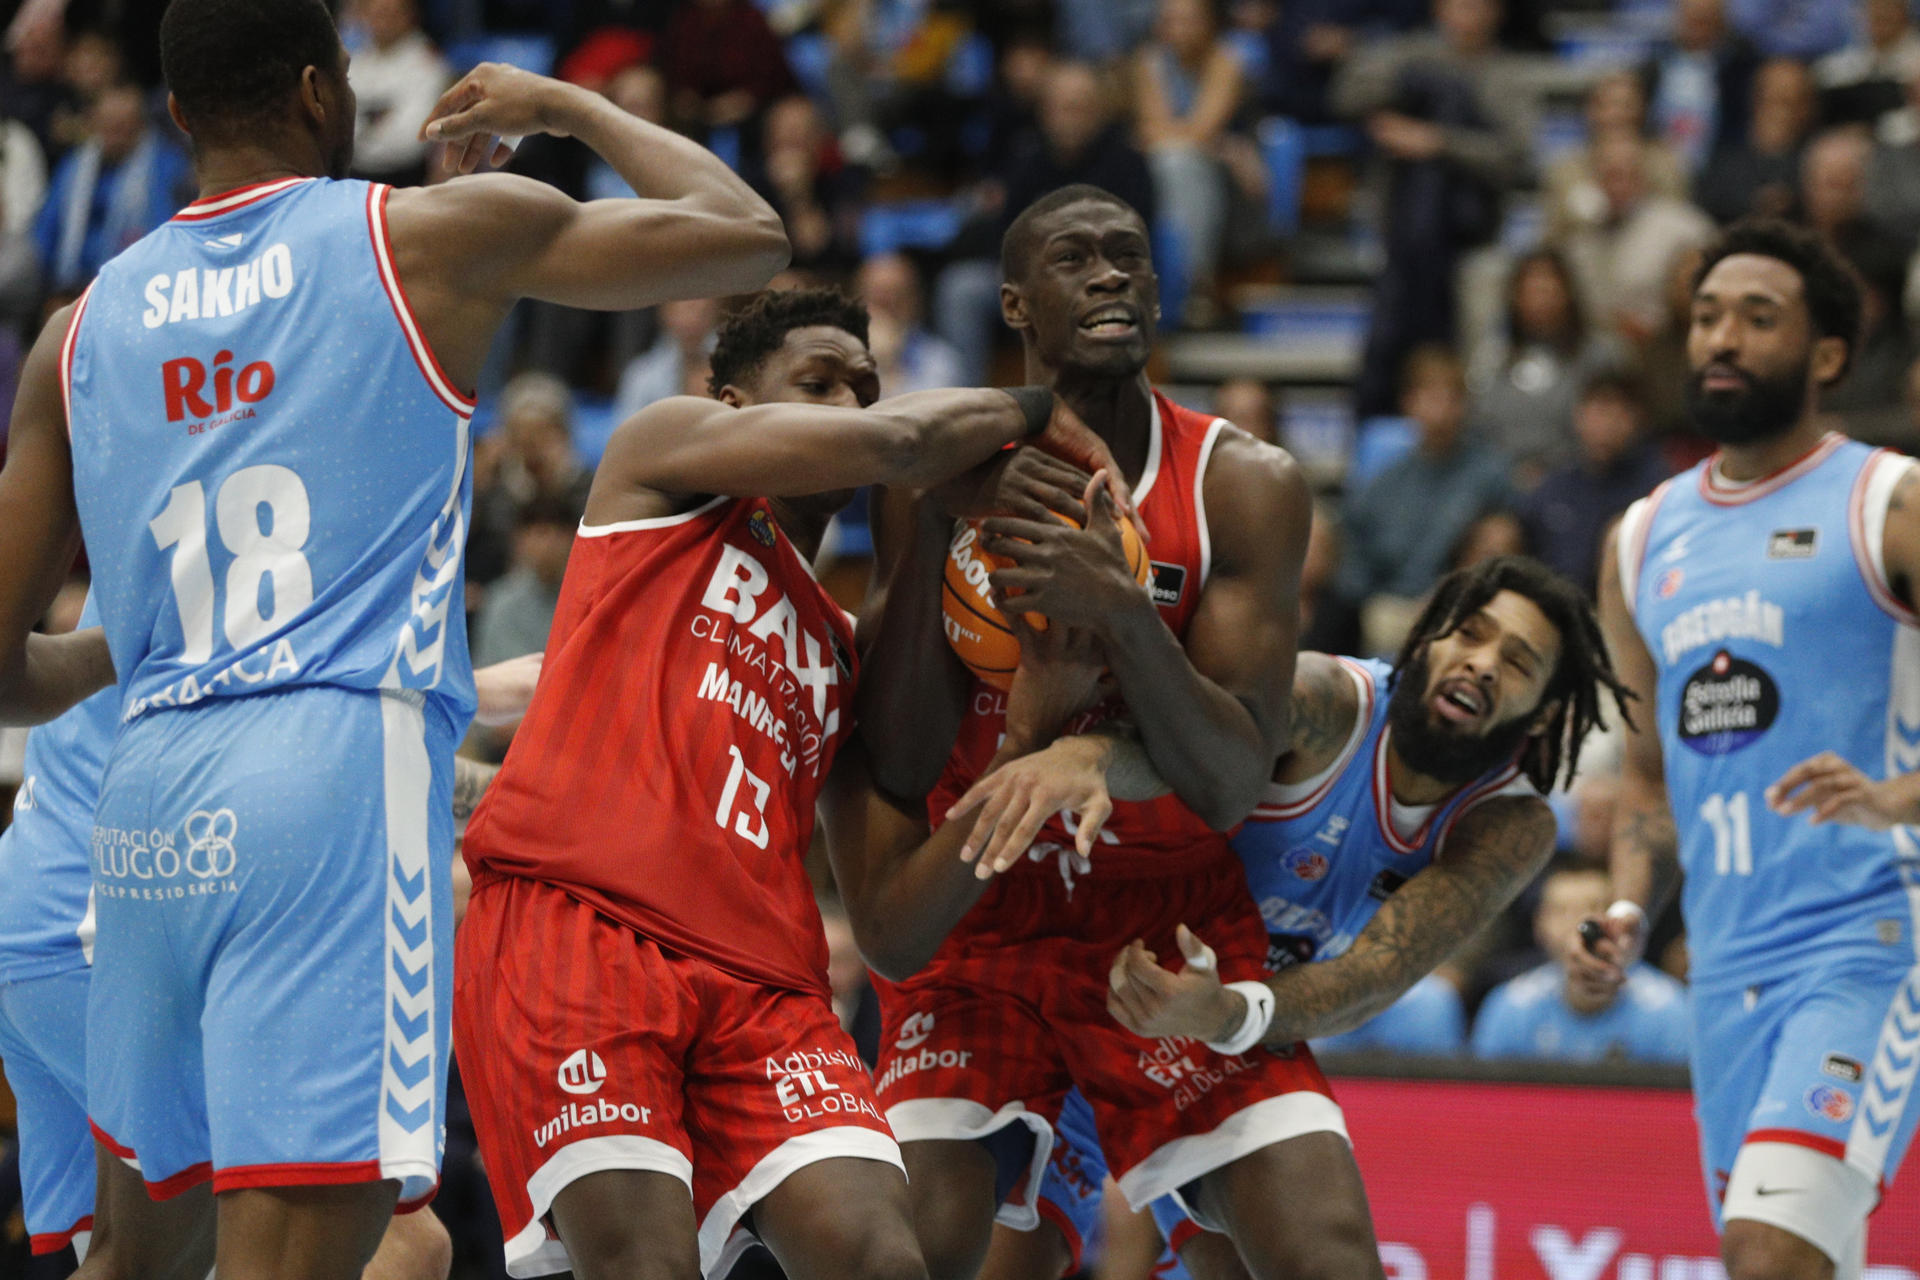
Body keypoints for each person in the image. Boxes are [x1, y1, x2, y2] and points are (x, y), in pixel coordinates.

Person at [0, 0, 792, 1274]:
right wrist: (569, 109)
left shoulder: (76, 329)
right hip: (331, 779)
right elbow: (746, 237)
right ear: (324, 93)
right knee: (328, 1250)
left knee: (136, 1257)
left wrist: (139, 643)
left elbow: (5, 667)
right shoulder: (422, 237)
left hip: (142, 807)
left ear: (181, 115)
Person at [454, 285, 1125, 1280]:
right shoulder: (660, 462)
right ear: (733, 403)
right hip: (582, 925)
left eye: (866, 386)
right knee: (642, 1263)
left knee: (884, 1255)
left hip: (761, 982)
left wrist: (1021, 722)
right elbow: (898, 444)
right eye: (818, 382)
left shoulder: (841, 647)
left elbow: (896, 906)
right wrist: (1040, 408)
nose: (851, 406)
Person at [836, 182, 1387, 1280]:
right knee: (911, 1251)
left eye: (1130, 256)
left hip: (1166, 911)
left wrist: (1127, 615)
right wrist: (949, 511)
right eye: (1076, 258)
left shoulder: (1243, 483)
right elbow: (895, 755)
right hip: (981, 921)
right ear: (1014, 305)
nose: (1109, 275)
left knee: (1329, 1254)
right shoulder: (940, 465)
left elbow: (1232, 775)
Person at [976, 554, 1628, 1279]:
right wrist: (1090, 758)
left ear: (1540, 709)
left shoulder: (1507, 823)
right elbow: (1177, 753)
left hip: (1214, 1029)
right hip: (1084, 975)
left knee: (1317, 1261)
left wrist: (1225, 1014)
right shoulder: (1324, 700)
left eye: (1517, 662)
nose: (1480, 663)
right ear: (1428, 638)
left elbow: (1374, 976)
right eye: (1469, 634)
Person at [1576, 218, 1920, 1280]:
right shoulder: (1640, 538)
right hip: (1724, 971)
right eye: (1709, 316)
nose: (1722, 337)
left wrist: (1897, 794)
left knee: (1768, 1252)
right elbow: (1644, 773)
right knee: (1785, 1261)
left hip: (1870, 942)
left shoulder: (1888, 500)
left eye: (1757, 318)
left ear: (1825, 355)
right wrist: (1629, 901)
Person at [0, 629, 538, 1272]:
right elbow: (294, 717)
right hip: (108, 912)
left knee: (131, 1256)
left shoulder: (159, 561)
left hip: (39, 909)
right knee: (403, 1246)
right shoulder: (287, 596)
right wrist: (464, 691)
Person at [1471, 864, 1689, 1064]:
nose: (1577, 922)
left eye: (1592, 906)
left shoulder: (1670, 1010)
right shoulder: (1509, 1006)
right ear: (1538, 924)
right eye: (1561, 910)